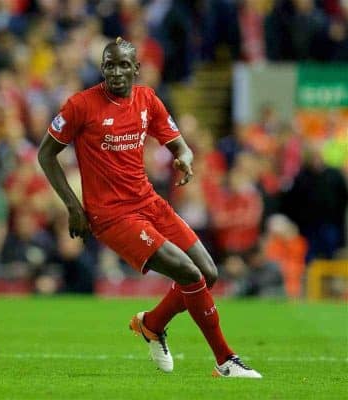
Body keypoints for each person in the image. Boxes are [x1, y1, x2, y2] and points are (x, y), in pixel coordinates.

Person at [38, 37, 261, 378]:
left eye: (123, 65)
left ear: (136, 70)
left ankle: (153, 324)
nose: (116, 72)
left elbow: (179, 146)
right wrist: (73, 206)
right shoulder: (80, 105)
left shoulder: (147, 100)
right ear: (102, 68)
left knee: (208, 274)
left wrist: (184, 160)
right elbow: (46, 154)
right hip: (112, 216)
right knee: (189, 274)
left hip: (149, 202)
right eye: (109, 65)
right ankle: (225, 361)